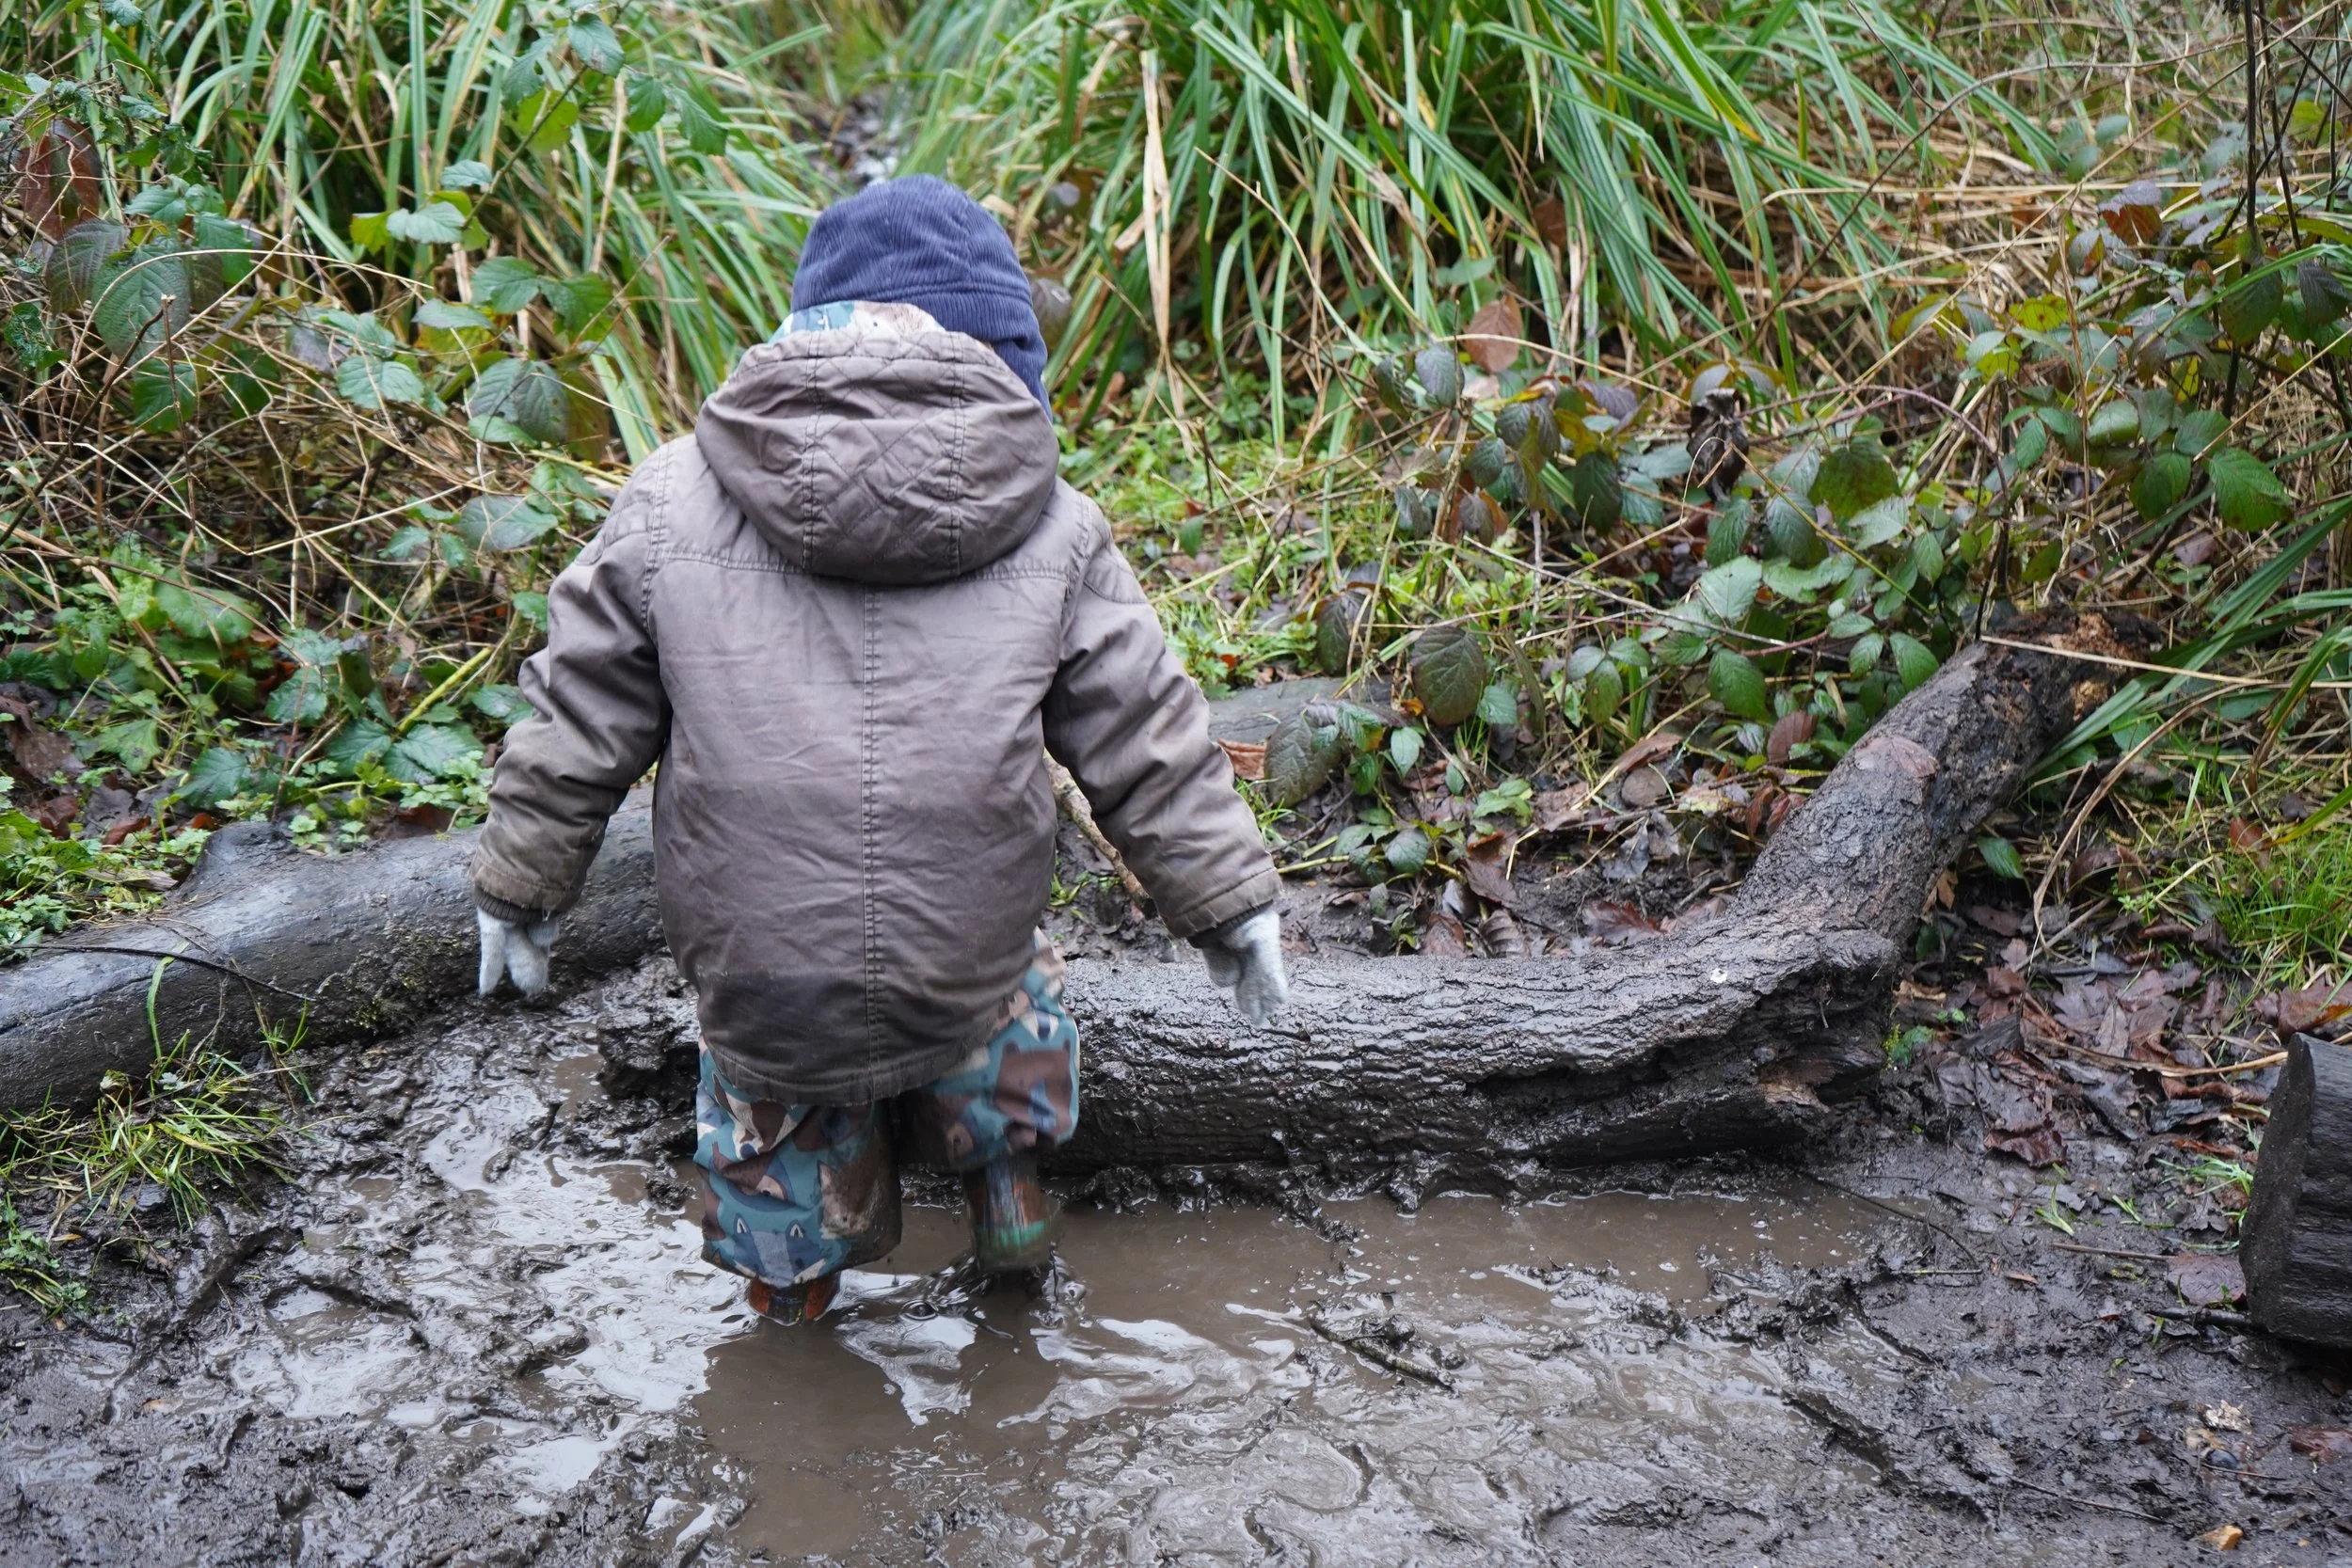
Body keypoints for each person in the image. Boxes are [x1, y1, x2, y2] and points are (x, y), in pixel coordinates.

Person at [465, 176, 1288, 1325]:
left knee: (776, 1166)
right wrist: (1228, 902)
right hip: (968, 948)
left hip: (766, 977)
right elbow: (1142, 732)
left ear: (802, 326)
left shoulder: (666, 501)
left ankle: (792, 1315)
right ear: (1001, 347)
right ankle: (1009, 1199)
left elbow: (576, 715)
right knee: (1011, 982)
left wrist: (519, 884)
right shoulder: (1057, 520)